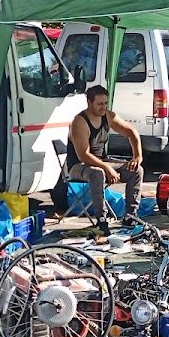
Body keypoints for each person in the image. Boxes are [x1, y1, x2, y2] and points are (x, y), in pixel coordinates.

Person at [66, 85, 142, 234]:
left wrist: (138, 156)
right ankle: (101, 219)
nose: (103, 107)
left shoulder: (108, 116)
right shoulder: (79, 122)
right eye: (100, 104)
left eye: (106, 103)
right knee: (97, 173)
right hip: (79, 166)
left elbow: (132, 132)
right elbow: (83, 155)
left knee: (136, 170)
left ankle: (130, 216)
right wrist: (107, 168)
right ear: (89, 102)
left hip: (102, 161)